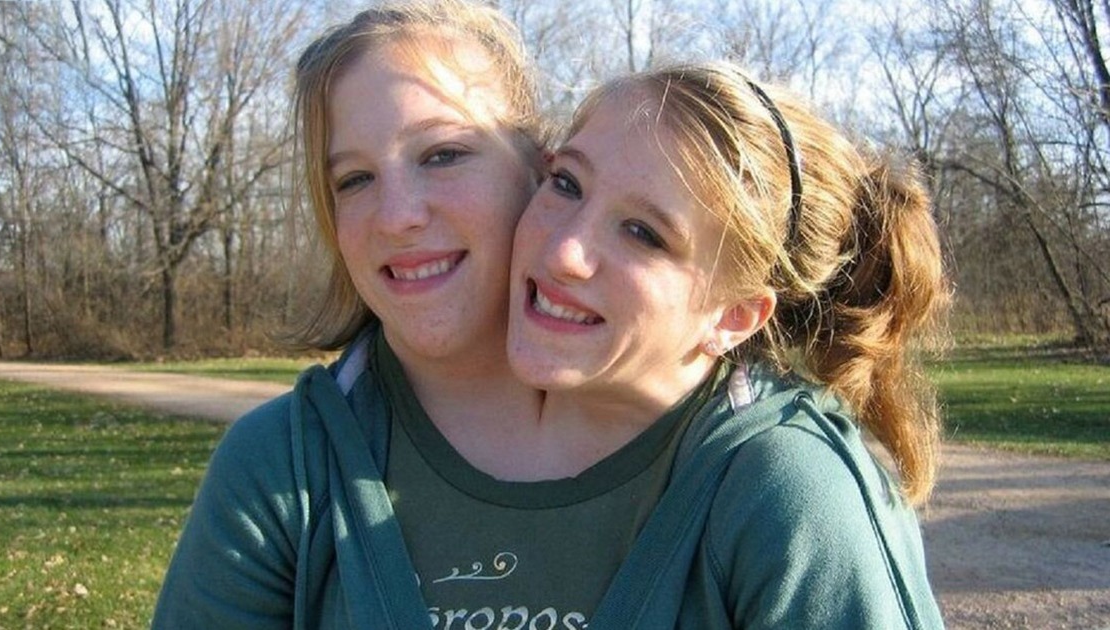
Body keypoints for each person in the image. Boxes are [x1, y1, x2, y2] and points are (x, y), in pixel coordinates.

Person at [505, 62, 948, 627]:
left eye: (644, 233)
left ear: (734, 317)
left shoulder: (795, 491)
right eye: (567, 183)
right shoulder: (441, 416)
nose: (565, 251)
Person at [150, 1, 550, 626]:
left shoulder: (695, 437)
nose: (397, 216)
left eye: (443, 154)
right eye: (355, 179)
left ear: (540, 169)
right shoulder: (279, 468)